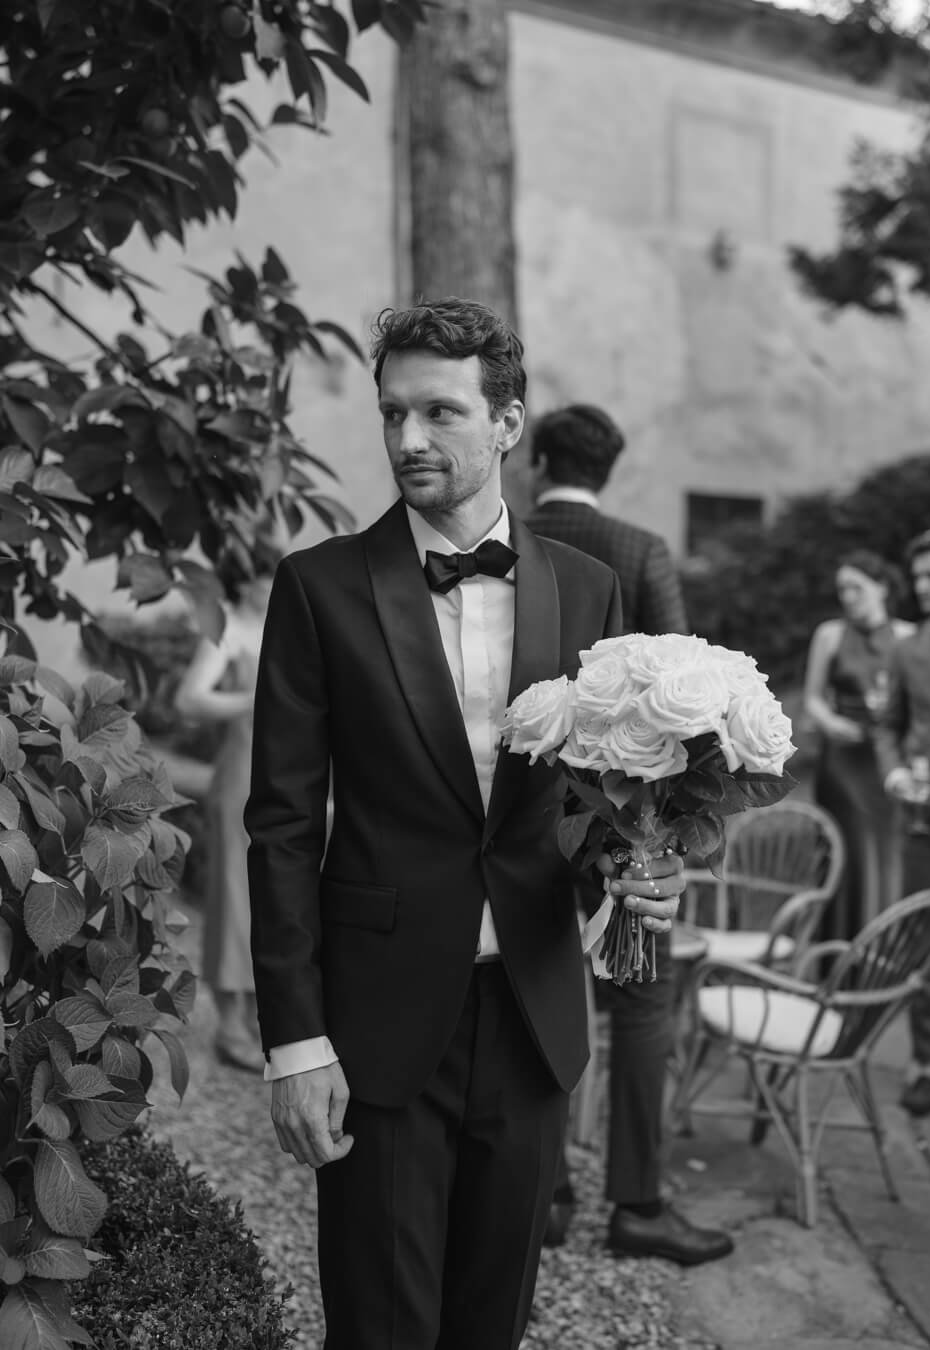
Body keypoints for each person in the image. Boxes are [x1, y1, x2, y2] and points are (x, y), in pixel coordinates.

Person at [245, 298, 686, 1350]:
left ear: (506, 424)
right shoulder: (319, 587)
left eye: (438, 412)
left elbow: (595, 799)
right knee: (379, 1328)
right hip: (379, 1018)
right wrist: (295, 1042)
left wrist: (639, 869)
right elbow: (282, 827)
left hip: (533, 1015)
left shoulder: (588, 589)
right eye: (392, 413)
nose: (407, 438)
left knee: (493, 1323)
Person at [526, 403, 732, 1267]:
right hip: (629, 820)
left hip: (525, 815)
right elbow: (688, 683)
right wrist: (667, 820)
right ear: (605, 471)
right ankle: (638, 1203)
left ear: (537, 461)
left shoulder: (510, 538)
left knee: (533, 988)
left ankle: (542, 1195)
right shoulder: (641, 548)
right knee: (643, 1001)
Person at [176, 538, 281, 1072]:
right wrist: (254, 699)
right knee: (236, 899)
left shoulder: (280, 627)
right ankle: (232, 1026)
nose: (276, 586)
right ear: (245, 583)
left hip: (284, 780)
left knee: (278, 899)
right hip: (241, 779)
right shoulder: (229, 632)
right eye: (268, 577)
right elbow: (188, 699)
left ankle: (267, 1018)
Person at [874, 526, 930, 1118]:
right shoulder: (908, 650)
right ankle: (927, 1062)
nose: (921, 586)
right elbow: (888, 726)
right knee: (925, 942)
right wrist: (896, 773)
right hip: (926, 821)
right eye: (918, 576)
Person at [803, 551, 914, 937]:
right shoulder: (829, 634)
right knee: (847, 850)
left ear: (881, 587)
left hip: (887, 760)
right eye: (842, 589)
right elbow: (813, 698)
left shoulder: (908, 637)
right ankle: (837, 948)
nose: (848, 596)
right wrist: (831, 723)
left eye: (857, 587)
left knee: (888, 852)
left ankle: (883, 946)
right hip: (843, 761)